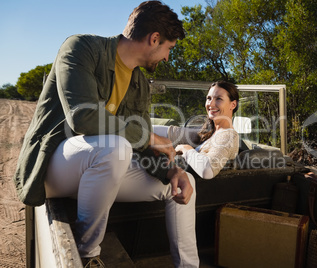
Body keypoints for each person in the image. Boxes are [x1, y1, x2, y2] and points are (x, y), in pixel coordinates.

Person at [13, 1, 198, 267]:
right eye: (169, 48)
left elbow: (145, 147)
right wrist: (148, 138)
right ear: (154, 39)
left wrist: (171, 171)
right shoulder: (81, 48)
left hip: (101, 172)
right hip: (55, 165)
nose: (167, 57)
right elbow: (83, 118)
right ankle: (87, 255)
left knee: (182, 183)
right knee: (116, 149)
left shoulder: (140, 84)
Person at [153, 81, 240, 179]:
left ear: (233, 104)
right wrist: (141, 133)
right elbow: (173, 133)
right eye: (209, 98)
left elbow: (207, 170)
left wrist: (185, 149)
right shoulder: (210, 133)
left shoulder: (229, 135)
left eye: (219, 99)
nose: (211, 104)